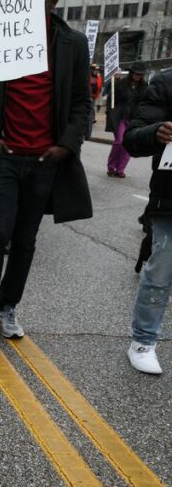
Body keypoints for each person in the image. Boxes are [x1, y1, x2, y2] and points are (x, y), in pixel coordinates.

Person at [0, 0, 93, 345]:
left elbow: (82, 103)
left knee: (25, 239)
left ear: (50, 6)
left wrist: (66, 146)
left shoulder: (73, 44)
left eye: (31, 2)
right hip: (3, 157)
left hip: (44, 162)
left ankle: (9, 307)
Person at [122, 68, 172, 374]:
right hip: (170, 198)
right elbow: (133, 138)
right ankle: (143, 342)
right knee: (161, 272)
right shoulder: (166, 82)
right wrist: (156, 133)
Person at [106, 61, 149, 178]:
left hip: (134, 118)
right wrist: (111, 113)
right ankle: (111, 166)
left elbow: (145, 103)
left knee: (128, 143)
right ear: (131, 73)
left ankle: (120, 169)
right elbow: (111, 100)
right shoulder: (120, 84)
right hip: (120, 117)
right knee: (119, 141)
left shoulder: (145, 87)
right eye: (136, 73)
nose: (138, 76)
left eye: (140, 74)